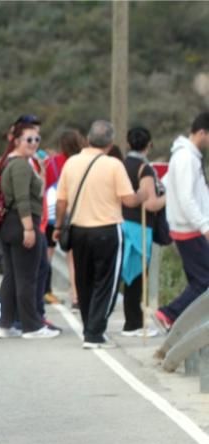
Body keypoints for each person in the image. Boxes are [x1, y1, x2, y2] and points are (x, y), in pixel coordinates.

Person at [55, 120, 146, 349]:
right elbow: (128, 199)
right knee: (106, 283)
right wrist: (142, 194)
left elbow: (61, 200)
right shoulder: (114, 165)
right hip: (107, 229)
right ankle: (95, 334)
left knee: (84, 281)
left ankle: (90, 328)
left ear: (87, 139)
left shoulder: (72, 163)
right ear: (111, 142)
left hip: (78, 230)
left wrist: (58, 227)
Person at [0, 121, 60, 339]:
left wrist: (40, 171)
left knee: (13, 276)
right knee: (27, 278)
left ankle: (6, 323)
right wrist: (29, 229)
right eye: (29, 139)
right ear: (16, 141)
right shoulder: (20, 165)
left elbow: (37, 193)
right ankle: (31, 326)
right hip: (22, 222)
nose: (33, 143)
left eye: (36, 139)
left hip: (11, 224)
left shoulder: (15, 163)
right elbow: (23, 199)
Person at [156, 112, 209, 332]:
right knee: (204, 281)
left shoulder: (187, 156)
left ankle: (182, 322)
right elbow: (187, 198)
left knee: (199, 281)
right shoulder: (186, 158)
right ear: (202, 133)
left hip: (186, 227)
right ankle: (169, 313)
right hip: (190, 229)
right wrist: (204, 226)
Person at [120, 128, 166, 336]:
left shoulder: (120, 165)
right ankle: (134, 324)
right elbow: (151, 204)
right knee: (138, 276)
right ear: (148, 146)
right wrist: (170, 195)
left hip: (121, 223)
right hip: (139, 227)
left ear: (129, 144)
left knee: (127, 274)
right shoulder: (144, 169)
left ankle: (132, 321)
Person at [45, 129, 86, 307]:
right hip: (78, 213)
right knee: (73, 257)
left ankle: (44, 291)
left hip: (53, 213)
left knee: (47, 253)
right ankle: (77, 296)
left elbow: (45, 187)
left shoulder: (52, 162)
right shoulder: (83, 162)